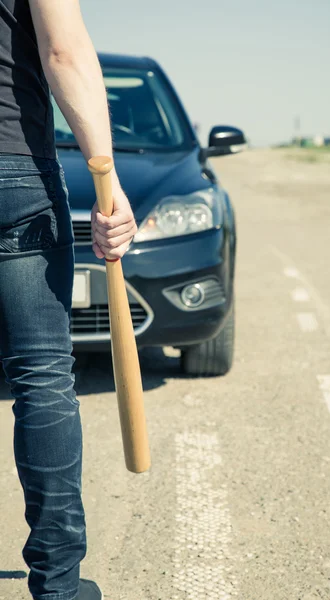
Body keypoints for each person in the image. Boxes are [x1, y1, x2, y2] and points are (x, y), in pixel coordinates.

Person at [0, 0, 137, 598]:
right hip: (15, 166)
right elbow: (63, 50)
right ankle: (58, 586)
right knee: (42, 378)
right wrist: (105, 180)